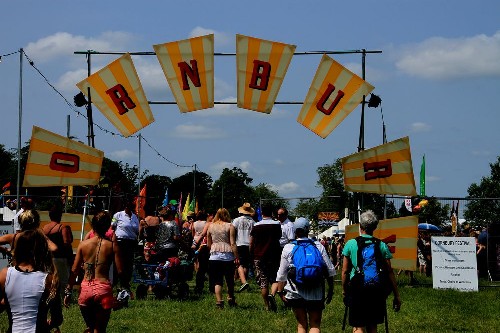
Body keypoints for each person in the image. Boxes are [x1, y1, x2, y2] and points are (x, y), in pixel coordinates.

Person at [341, 210, 401, 333]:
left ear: (360, 226)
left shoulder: (351, 244)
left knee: (358, 326)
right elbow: (389, 272)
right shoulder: (381, 245)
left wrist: (344, 290)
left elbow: (345, 271)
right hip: (376, 289)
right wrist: (396, 295)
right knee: (372, 325)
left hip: (357, 287)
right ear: (374, 227)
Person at [64, 211, 124, 333]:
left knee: (90, 328)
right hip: (104, 290)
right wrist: (122, 290)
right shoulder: (112, 245)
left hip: (86, 290)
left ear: (93, 226)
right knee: (100, 329)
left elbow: (74, 270)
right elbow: (120, 270)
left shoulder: (83, 244)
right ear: (108, 226)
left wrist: (68, 291)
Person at [276, 217, 335, 333]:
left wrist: (280, 291)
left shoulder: (288, 248)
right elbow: (330, 270)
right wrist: (331, 289)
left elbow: (281, 273)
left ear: (294, 230)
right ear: (308, 230)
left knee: (301, 324)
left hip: (295, 292)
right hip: (316, 292)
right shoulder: (318, 246)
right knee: (315, 325)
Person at [0, 229, 63, 332]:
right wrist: (50, 324)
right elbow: (57, 318)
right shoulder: (49, 278)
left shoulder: (5, 275)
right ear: (42, 250)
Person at [250, 203, 282, 311]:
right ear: (272, 212)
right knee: (275, 279)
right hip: (274, 256)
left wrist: (251, 253)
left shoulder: (256, 225)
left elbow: (252, 242)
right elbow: (279, 238)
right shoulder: (277, 224)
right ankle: (272, 295)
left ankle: (267, 306)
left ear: (262, 213)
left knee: (263, 282)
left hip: (259, 256)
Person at [207, 208, 239, 308]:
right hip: (227, 256)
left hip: (214, 256)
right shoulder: (230, 226)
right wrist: (236, 256)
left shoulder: (210, 226)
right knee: (229, 279)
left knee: (217, 280)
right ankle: (230, 298)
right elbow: (233, 243)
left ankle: (219, 301)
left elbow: (209, 243)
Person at [42, 205, 74, 298]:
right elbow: (66, 242)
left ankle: (51, 296)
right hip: (61, 258)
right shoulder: (62, 227)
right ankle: (64, 298)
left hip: (49, 258)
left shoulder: (44, 228)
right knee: (63, 280)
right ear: (60, 215)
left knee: (51, 279)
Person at [111, 201, 139, 292]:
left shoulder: (135, 217)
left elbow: (137, 229)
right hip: (120, 242)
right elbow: (112, 226)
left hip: (131, 242)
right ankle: (115, 282)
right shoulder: (118, 215)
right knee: (118, 263)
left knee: (128, 264)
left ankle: (125, 284)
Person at [232, 202, 255, 292]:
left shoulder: (236, 220)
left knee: (239, 264)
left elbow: (233, 233)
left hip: (239, 243)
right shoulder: (253, 222)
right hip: (249, 244)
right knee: (246, 265)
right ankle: (244, 282)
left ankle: (244, 282)